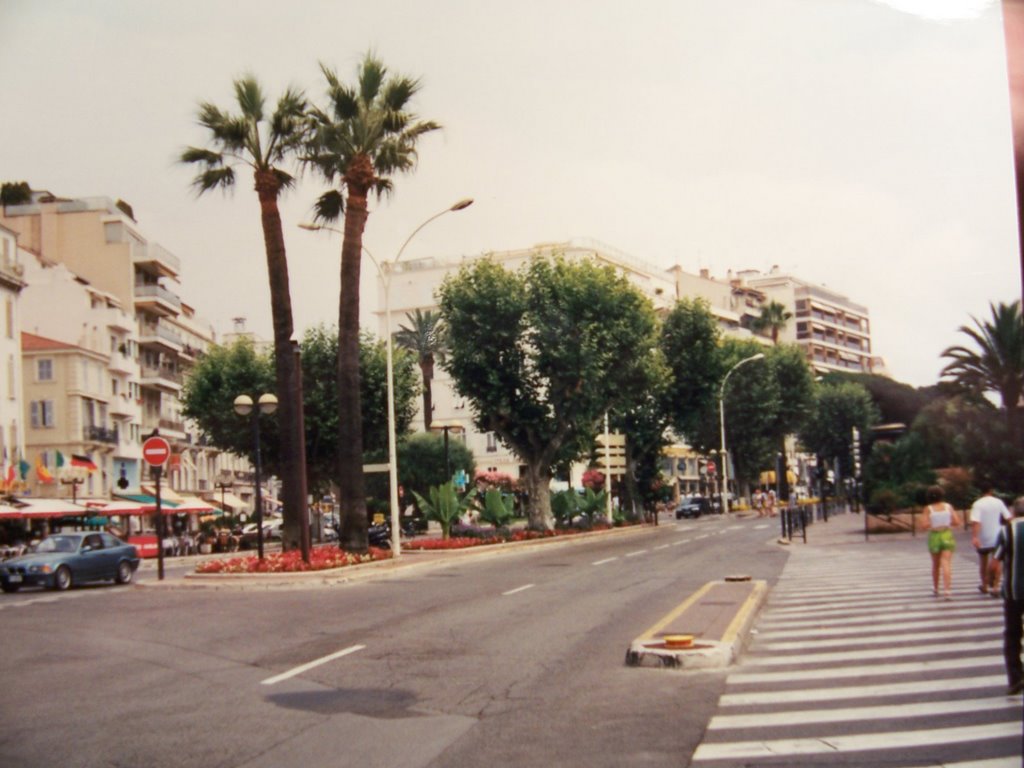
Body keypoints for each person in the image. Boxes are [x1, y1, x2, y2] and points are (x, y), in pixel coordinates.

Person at [994, 496, 1024, 696]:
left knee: (1012, 634)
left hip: (1013, 592)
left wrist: (991, 584)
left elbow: (994, 562)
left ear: (1013, 511)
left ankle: (1015, 678)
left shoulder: (1006, 531)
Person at [922, 485, 962, 599]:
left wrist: (934, 524)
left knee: (935, 564)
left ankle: (936, 588)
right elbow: (957, 522)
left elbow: (924, 525)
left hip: (934, 536)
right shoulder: (948, 507)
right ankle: (947, 590)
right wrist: (947, 523)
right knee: (946, 563)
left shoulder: (928, 509)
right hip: (947, 534)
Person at [969, 486, 1010, 596]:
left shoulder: (977, 504)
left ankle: (985, 585)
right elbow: (1008, 517)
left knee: (983, 562)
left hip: (983, 537)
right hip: (997, 536)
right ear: (991, 491)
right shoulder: (999, 502)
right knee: (997, 560)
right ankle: (996, 586)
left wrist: (975, 537)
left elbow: (976, 522)